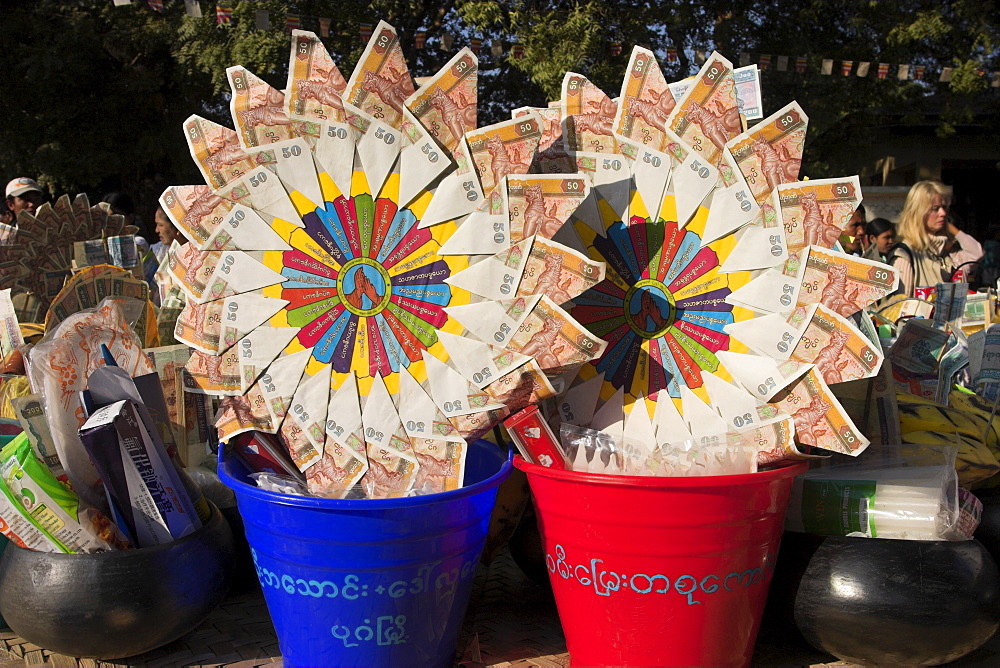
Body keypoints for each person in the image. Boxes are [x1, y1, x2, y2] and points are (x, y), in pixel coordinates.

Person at [887, 180, 982, 297]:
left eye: (944, 207)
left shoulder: (945, 252)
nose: (943, 213)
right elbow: (899, 307)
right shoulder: (905, 255)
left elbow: (976, 253)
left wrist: (951, 228)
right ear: (918, 213)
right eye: (935, 208)